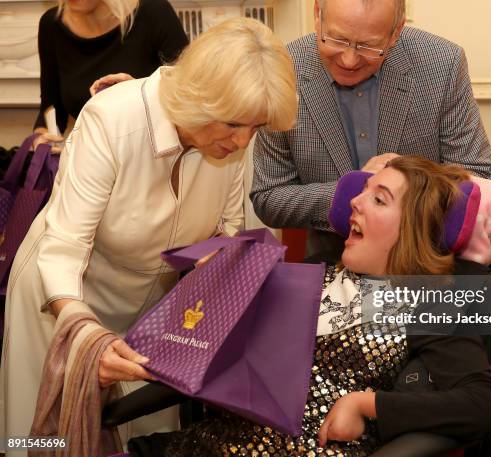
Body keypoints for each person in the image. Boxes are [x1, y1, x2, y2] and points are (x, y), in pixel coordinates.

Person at [0, 17, 297, 449]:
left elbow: (226, 228)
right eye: (235, 125)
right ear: (201, 99)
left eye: (255, 128)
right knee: (50, 440)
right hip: (63, 297)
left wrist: (219, 265)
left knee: (142, 436)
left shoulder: (232, 140)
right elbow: (63, 248)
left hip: (151, 310)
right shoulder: (112, 120)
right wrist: (84, 334)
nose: (242, 142)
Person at [128, 156, 491, 457]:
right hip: (208, 443)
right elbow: (207, 347)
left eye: (379, 198)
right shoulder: (306, 273)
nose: (354, 200)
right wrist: (215, 284)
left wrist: (366, 404)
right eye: (363, 191)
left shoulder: (425, 302)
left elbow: (478, 406)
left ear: (413, 227)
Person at [250, 0, 491, 260]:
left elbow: (480, 178)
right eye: (336, 39)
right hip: (330, 265)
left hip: (423, 265)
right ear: (317, 14)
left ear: (396, 32)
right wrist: (353, 191)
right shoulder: (284, 70)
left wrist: (404, 187)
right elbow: (268, 197)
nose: (348, 59)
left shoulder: (442, 65)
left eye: (368, 46)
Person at [33, 0, 188, 150]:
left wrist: (142, 95)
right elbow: (51, 108)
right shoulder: (51, 24)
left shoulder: (154, 12)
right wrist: (41, 137)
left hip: (153, 159)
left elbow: (190, 99)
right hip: (91, 160)